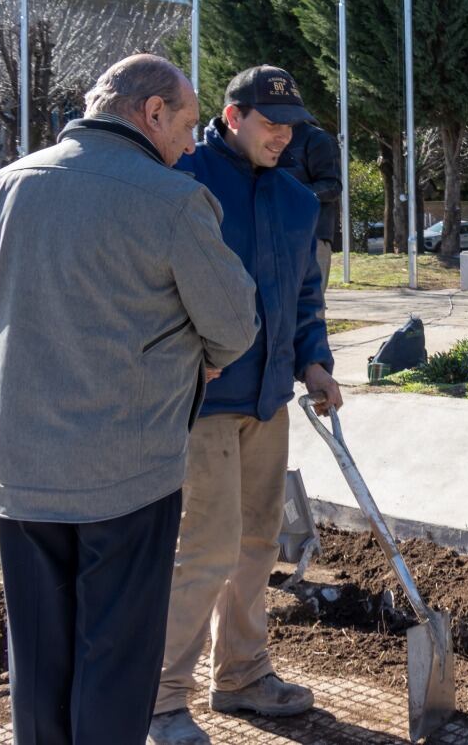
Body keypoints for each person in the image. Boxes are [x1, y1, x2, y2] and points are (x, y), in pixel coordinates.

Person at [0, 54, 259, 745]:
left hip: (22, 474)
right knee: (115, 667)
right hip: (130, 475)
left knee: (38, 665)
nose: (191, 140)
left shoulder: (4, 186)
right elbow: (235, 324)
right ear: (151, 113)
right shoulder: (173, 200)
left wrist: (5, 414)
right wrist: (199, 363)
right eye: (184, 121)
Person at [149, 66, 342, 745]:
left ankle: (241, 675)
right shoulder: (183, 177)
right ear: (232, 117)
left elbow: (305, 298)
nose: (283, 136)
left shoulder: (295, 200)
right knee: (203, 549)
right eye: (269, 122)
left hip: (269, 399)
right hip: (198, 400)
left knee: (259, 544)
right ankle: (163, 699)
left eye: (291, 125)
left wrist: (314, 360)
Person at [280, 120, 343, 292]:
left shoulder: (317, 139)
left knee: (312, 306)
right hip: (274, 235)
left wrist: (290, 193)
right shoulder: (264, 138)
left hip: (312, 236)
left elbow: (332, 187)